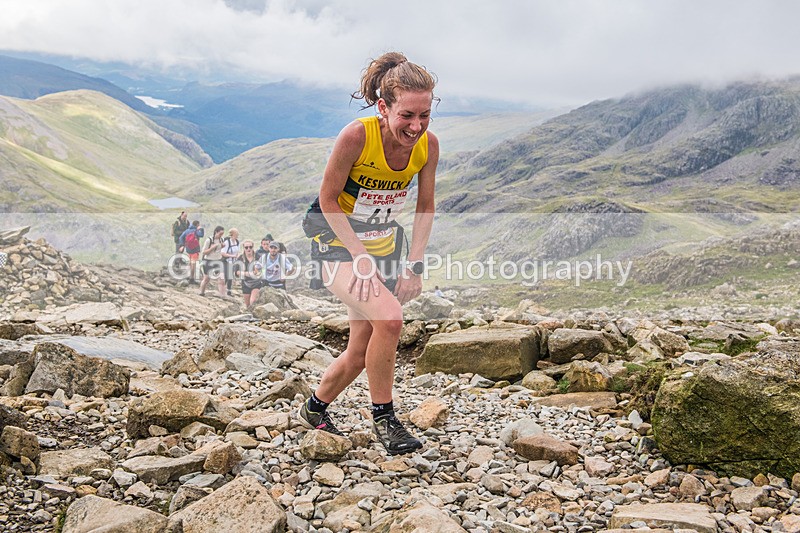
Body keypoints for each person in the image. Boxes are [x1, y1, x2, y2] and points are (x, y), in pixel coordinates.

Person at [298, 52, 439, 456]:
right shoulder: (356, 136)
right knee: (390, 319)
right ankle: (385, 420)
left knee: (361, 351)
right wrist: (358, 255)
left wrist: (414, 263)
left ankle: (314, 408)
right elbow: (327, 199)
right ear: (383, 106)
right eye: (407, 115)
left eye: (425, 115)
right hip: (336, 244)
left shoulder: (428, 145)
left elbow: (425, 206)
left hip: (383, 247)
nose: (416, 126)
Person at [199, 225, 226, 297]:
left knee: (222, 279)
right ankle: (201, 293)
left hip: (219, 260)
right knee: (206, 279)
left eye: (222, 234)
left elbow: (219, 250)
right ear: (216, 232)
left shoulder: (221, 239)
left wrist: (222, 246)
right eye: (220, 233)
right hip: (208, 261)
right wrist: (212, 247)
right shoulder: (209, 240)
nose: (221, 235)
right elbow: (204, 252)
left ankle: (222, 295)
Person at [239, 239, 266, 308]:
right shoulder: (240, 258)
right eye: (246, 247)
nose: (248, 249)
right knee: (248, 305)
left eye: (250, 247)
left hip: (257, 282)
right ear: (244, 248)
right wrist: (246, 273)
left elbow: (263, 269)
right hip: (246, 283)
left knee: (253, 301)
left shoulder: (258, 257)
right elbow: (236, 272)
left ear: (253, 247)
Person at [221, 228, 240, 297]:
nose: (238, 235)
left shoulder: (237, 242)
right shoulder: (227, 242)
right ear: (232, 234)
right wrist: (232, 256)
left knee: (230, 276)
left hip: (233, 262)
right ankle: (222, 291)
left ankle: (228, 291)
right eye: (236, 233)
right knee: (226, 276)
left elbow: (237, 251)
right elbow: (223, 253)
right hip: (226, 261)